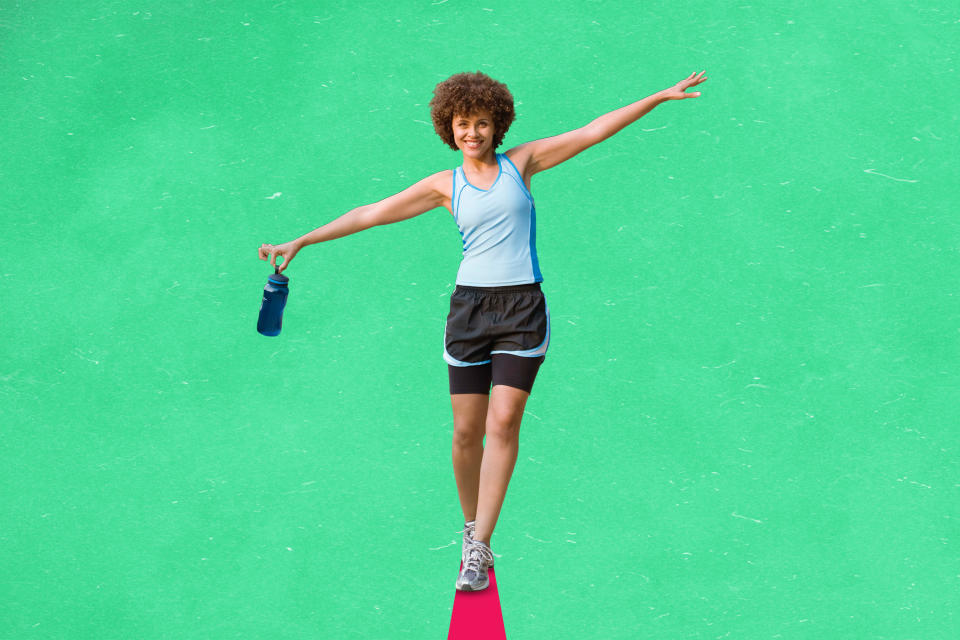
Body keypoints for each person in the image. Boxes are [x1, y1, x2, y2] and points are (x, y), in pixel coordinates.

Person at [258, 69, 708, 591]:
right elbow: (370, 214)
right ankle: (470, 526)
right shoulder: (442, 186)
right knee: (466, 433)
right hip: (469, 312)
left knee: (505, 421)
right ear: (449, 128)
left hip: (521, 308)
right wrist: (302, 241)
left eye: (483, 123)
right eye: (462, 123)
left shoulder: (524, 163)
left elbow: (593, 130)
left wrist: (657, 96)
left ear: (499, 126)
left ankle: (480, 547)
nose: (472, 132)